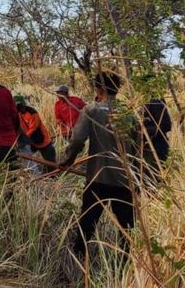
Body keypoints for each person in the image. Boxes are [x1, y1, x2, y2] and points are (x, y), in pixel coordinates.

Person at [59, 71, 135, 260]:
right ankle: (126, 262)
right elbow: (138, 146)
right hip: (125, 179)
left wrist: (69, 159)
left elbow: (77, 140)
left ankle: (78, 255)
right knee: (126, 226)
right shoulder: (129, 113)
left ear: (99, 89)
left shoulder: (91, 110)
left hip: (98, 177)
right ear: (116, 89)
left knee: (88, 219)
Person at [14, 95, 57, 171]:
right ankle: (35, 172)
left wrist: (25, 137)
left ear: (22, 104)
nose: (17, 107)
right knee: (26, 158)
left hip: (42, 140)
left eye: (18, 105)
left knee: (50, 161)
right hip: (30, 141)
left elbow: (34, 127)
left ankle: (53, 174)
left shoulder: (32, 112)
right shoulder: (17, 115)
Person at [136, 97, 173, 181]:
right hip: (146, 149)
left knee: (152, 183)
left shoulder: (155, 99)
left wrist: (144, 131)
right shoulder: (141, 99)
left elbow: (166, 124)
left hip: (155, 149)